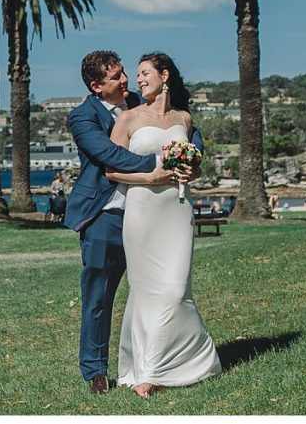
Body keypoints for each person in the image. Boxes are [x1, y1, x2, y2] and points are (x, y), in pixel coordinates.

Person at [63, 50, 185, 396]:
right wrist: (158, 162)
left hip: (150, 214)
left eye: (123, 73)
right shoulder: (82, 118)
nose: (126, 81)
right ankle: (96, 371)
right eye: (116, 77)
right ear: (96, 86)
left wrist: (189, 154)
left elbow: (181, 126)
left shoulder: (141, 100)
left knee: (159, 289)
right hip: (106, 214)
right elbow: (110, 156)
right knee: (99, 296)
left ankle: (156, 364)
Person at [105, 52, 222, 399]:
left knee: (175, 289)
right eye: (137, 75)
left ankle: (190, 361)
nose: (138, 80)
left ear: (164, 75)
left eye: (144, 73)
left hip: (177, 209)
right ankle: (147, 371)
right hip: (142, 211)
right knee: (146, 291)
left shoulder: (184, 118)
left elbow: (195, 164)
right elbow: (111, 169)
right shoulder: (128, 118)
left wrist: (191, 171)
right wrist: (149, 175)